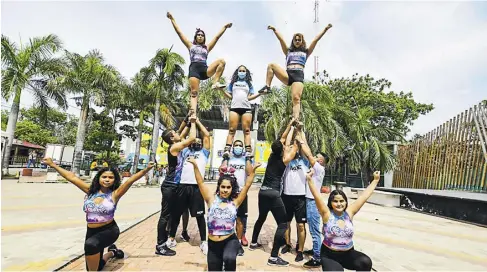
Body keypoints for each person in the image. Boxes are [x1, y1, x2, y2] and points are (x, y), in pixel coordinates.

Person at [42, 157, 155, 271]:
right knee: (96, 265)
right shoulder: (90, 191)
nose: (107, 179)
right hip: (91, 231)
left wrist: (146, 169)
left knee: (90, 246)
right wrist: (53, 165)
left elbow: (131, 180)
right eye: (104, 177)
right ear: (98, 178)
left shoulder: (115, 194)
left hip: (109, 230)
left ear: (115, 180)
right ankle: (112, 252)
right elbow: (71, 177)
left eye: (111, 177)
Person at [187, 153, 261, 271]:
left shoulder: (235, 202)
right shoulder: (211, 200)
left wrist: (254, 170)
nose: (225, 190)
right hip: (213, 242)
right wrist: (195, 165)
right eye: (223, 187)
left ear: (232, 189)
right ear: (219, 187)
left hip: (229, 240)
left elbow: (247, 185)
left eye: (228, 187)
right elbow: (200, 182)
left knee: (229, 258)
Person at [248, 117, 299, 267]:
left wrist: (290, 124)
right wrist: (297, 129)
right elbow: (294, 145)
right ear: (282, 149)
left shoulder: (272, 156)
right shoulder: (285, 159)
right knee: (283, 224)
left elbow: (283, 140)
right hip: (273, 193)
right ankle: (273, 257)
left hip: (262, 192)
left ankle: (253, 243)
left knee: (261, 217)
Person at [306, 169, 378, 271]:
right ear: (330, 203)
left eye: (341, 201)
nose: (339, 204)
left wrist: (375, 180)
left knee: (365, 262)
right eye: (335, 201)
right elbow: (317, 196)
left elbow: (364, 197)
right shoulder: (326, 214)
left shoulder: (349, 213)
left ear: (345, 202)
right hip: (330, 255)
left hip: (348, 253)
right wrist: (309, 179)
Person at [259, 24, 333, 120]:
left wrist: (325, 29)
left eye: (299, 40)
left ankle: (296, 119)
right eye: (295, 40)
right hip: (288, 74)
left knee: (296, 98)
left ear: (302, 41)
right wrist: (274, 30)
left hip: (298, 76)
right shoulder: (288, 51)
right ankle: (267, 87)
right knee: (271, 65)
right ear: (293, 41)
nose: (297, 41)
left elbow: (315, 40)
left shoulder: (306, 52)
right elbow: (281, 40)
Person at [167, 11, 231, 112]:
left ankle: (215, 82)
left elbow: (216, 37)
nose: (200, 36)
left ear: (204, 38)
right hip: (194, 70)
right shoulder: (190, 45)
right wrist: (172, 19)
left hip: (205, 70)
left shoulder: (207, 47)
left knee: (221, 62)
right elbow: (179, 33)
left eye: (202, 35)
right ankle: (193, 114)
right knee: (194, 93)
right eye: (198, 35)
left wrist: (225, 27)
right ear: (196, 37)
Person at [155, 112, 197, 256]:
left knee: (173, 214)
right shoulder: (174, 148)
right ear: (172, 138)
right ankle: (160, 245)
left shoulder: (176, 144)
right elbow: (191, 137)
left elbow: (181, 132)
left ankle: (166, 238)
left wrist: (188, 120)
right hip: (169, 186)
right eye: (175, 133)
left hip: (176, 186)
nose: (178, 133)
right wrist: (193, 122)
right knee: (165, 215)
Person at [170, 117, 212, 255]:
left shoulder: (204, 153)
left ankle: (204, 242)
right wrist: (190, 124)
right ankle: (171, 238)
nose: (197, 142)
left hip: (196, 187)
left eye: (198, 141)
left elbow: (206, 135)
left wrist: (197, 121)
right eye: (194, 140)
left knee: (200, 216)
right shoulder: (184, 151)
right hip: (182, 186)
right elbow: (179, 139)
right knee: (176, 214)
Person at [295, 131, 328, 268]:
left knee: (314, 230)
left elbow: (308, 153)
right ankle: (316, 251)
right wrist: (301, 133)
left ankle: (317, 258)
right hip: (309, 201)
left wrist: (300, 140)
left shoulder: (319, 168)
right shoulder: (316, 169)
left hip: (313, 202)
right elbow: (308, 150)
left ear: (320, 161)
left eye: (317, 157)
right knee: (312, 229)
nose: (314, 157)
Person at [220, 65, 267, 157]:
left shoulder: (249, 84)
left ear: (246, 73)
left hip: (246, 108)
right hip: (234, 108)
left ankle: (248, 151)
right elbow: (230, 96)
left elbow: (249, 98)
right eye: (240, 70)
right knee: (232, 130)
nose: (242, 72)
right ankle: (227, 150)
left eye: (243, 71)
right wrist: (221, 91)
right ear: (237, 72)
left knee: (247, 130)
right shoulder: (232, 83)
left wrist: (259, 94)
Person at [280, 124, 310, 263]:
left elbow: (305, 145)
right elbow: (286, 144)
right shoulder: (286, 161)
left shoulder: (304, 160)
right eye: (292, 146)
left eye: (296, 146)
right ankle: (287, 244)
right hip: (286, 195)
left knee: (301, 225)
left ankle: (300, 250)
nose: (294, 147)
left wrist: (300, 131)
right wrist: (291, 128)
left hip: (300, 197)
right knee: (286, 223)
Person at [219, 140, 252, 256]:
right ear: (232, 147)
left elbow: (250, 172)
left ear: (243, 148)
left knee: (240, 219)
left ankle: (238, 242)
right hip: (229, 193)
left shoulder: (246, 159)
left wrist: (248, 158)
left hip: (241, 192)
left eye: (240, 146)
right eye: (236, 145)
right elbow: (221, 170)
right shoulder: (229, 158)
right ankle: (225, 240)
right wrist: (226, 158)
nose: (238, 147)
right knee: (226, 218)